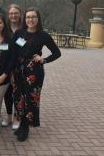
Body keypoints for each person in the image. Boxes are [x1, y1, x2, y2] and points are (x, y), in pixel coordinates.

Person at [12, 7, 61, 142]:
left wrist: (44, 59)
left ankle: (26, 127)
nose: (30, 19)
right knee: (18, 98)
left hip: (34, 72)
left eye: (33, 17)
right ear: (24, 19)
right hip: (18, 70)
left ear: (38, 19)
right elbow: (13, 50)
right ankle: (21, 123)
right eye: (28, 17)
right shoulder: (19, 33)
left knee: (30, 99)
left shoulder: (43, 35)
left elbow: (57, 53)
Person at [1, 4, 22, 129]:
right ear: (8, 16)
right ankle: (8, 115)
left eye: (16, 13)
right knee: (7, 93)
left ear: (20, 15)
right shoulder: (5, 30)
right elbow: (2, 47)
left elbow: (25, 47)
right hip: (6, 65)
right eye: (11, 13)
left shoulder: (24, 29)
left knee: (18, 93)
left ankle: (17, 117)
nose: (13, 15)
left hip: (20, 66)